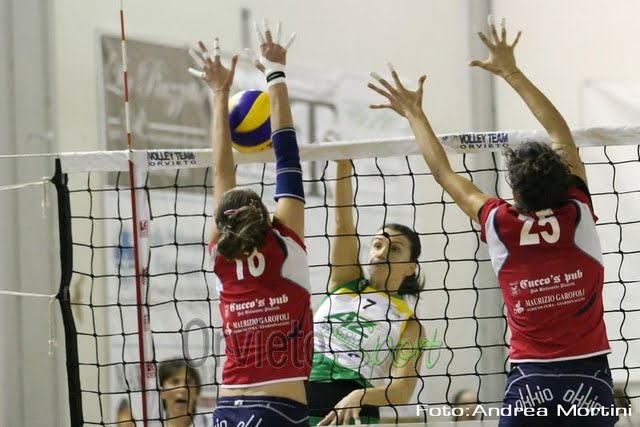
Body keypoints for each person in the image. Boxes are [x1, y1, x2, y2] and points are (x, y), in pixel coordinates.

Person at [367, 18, 616, 427]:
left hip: (530, 381)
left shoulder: (501, 222)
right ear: (564, 181)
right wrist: (512, 72)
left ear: (514, 192)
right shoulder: (577, 212)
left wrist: (414, 113)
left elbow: (444, 173)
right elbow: (560, 132)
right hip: (588, 378)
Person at [189, 21, 312, 427]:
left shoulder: (220, 254)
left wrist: (219, 93)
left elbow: (221, 170)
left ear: (223, 226)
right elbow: (286, 154)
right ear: (265, 215)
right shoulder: (284, 245)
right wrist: (275, 73)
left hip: (226, 407)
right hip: (278, 409)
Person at [306, 159, 426, 426]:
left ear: (410, 267)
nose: (382, 253)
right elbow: (343, 226)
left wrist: (360, 396)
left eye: (395, 249)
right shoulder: (346, 282)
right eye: (377, 245)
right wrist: (343, 166)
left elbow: (403, 390)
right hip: (301, 397)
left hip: (355, 410)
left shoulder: (410, 325)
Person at [158, 359, 207, 426]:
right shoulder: (150, 424)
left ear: (196, 392)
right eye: (175, 382)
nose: (183, 389)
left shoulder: (215, 423)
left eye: (188, 382)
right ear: (161, 391)